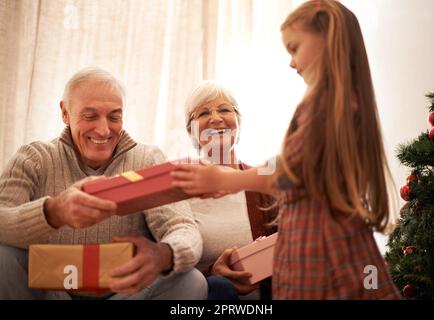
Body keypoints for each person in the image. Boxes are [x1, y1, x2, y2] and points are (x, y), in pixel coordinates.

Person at [172, 0, 401, 299]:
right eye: (203, 114)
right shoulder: (340, 103)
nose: (291, 62)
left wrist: (228, 180)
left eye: (295, 48)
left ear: (326, 41)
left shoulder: (323, 105)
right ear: (190, 128)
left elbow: (290, 167)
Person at [0, 67, 207, 300]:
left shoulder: (147, 160)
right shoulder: (34, 158)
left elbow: (185, 229)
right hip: (52, 291)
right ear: (65, 113)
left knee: (191, 281)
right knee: (3, 256)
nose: (103, 129)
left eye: (114, 117)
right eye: (90, 116)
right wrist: (53, 212)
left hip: (123, 294)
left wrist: (162, 254)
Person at [184, 80, 278, 300]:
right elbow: (170, 268)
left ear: (238, 122)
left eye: (225, 109)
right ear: (191, 129)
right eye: (203, 113)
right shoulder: (179, 189)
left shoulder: (263, 180)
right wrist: (211, 273)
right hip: (209, 295)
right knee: (219, 286)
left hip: (266, 294)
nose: (216, 118)